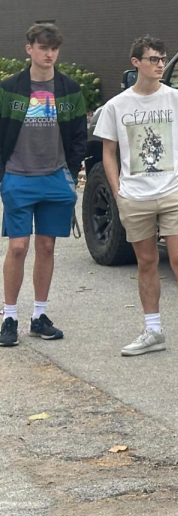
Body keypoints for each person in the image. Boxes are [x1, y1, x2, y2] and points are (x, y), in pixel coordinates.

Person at [95, 36, 178, 360]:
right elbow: (109, 152)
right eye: (153, 59)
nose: (160, 64)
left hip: (173, 191)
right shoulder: (117, 106)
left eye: (163, 59)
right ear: (136, 62)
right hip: (135, 194)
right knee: (146, 262)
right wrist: (118, 192)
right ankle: (153, 329)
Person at [0, 23, 88, 347]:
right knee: (18, 246)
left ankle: (39, 316)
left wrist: (70, 170)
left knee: (47, 247)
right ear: (29, 49)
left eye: (54, 48)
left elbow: (79, 136)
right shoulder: (9, 89)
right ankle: (9, 317)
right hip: (17, 176)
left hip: (54, 177)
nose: (49, 54)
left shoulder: (68, 90)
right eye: (42, 47)